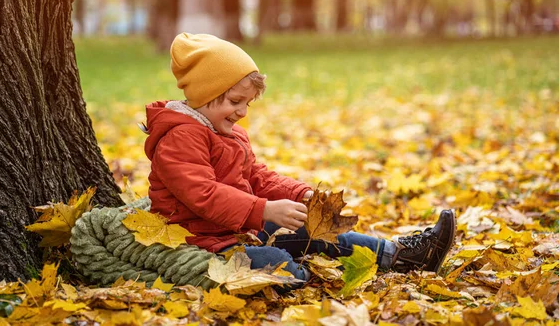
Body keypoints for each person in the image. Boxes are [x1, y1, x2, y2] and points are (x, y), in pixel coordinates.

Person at [143, 32, 456, 284]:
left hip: (237, 230)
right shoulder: (179, 137)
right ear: (203, 94)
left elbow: (256, 176)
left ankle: (399, 254)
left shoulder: (228, 132)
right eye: (235, 101)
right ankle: (303, 275)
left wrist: (299, 194)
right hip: (201, 242)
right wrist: (263, 209)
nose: (241, 112)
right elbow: (203, 195)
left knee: (312, 229)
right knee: (280, 268)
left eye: (247, 104)